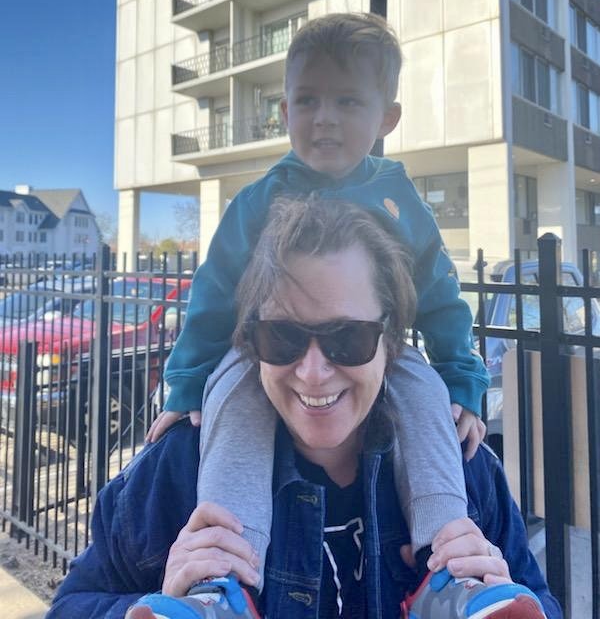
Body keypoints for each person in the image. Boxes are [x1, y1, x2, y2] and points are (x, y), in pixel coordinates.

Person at [47, 198, 560, 618]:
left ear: (390, 341)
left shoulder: (464, 472)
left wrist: (502, 584)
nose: (313, 372)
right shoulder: (178, 473)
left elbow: (543, 604)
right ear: (250, 342)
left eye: (348, 338)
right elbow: (72, 605)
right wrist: (153, 601)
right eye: (282, 336)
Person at [147, 13, 490, 591]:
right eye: (307, 101)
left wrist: (460, 377)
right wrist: (184, 385)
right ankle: (224, 577)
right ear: (284, 113)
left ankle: (449, 564)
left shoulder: (398, 199)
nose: (325, 118)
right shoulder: (260, 200)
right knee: (231, 392)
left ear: (386, 118)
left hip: (372, 346)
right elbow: (212, 296)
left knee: (426, 391)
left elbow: (439, 294)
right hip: (268, 347)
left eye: (349, 102)